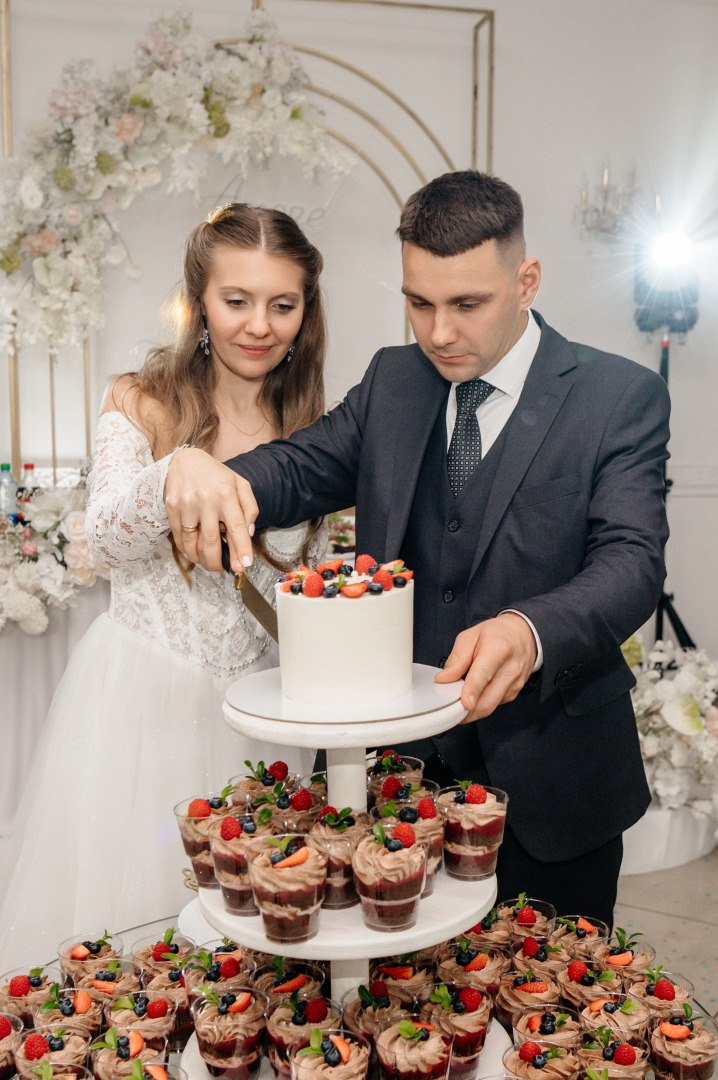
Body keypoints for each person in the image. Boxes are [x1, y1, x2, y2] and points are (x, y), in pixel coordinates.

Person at [163, 172, 670, 928]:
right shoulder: (394, 380)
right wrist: (199, 468)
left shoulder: (617, 396)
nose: (438, 332)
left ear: (526, 280)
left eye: (468, 304)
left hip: (555, 783)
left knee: (552, 1016)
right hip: (402, 783)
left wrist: (531, 631)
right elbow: (303, 466)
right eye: (419, 303)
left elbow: (632, 563)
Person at [0, 204, 327, 966]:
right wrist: (174, 467)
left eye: (283, 304)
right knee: (139, 926)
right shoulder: (140, 399)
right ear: (200, 303)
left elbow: (299, 584)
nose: (259, 325)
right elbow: (107, 541)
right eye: (236, 300)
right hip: (141, 702)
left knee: (252, 934)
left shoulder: (312, 425)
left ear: (307, 311)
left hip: (266, 715)